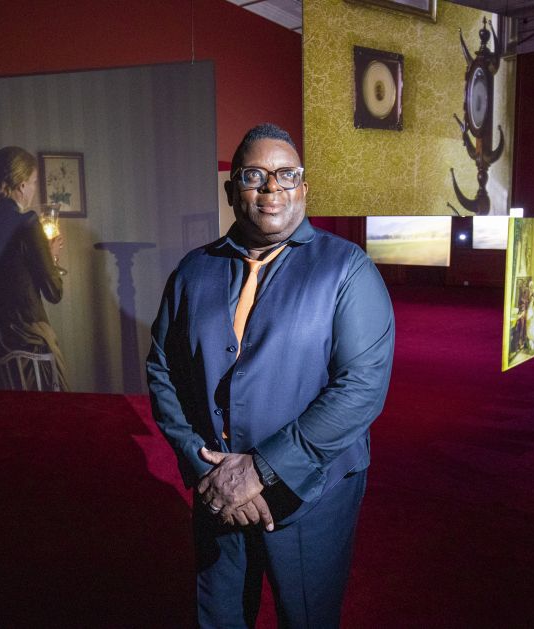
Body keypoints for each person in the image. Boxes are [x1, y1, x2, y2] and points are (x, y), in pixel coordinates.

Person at [146, 123, 395, 628]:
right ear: (232, 189)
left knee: (305, 616)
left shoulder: (346, 269)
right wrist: (205, 468)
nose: (271, 188)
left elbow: (361, 388)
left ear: (303, 188)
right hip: (217, 486)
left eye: (286, 175)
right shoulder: (193, 271)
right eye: (254, 175)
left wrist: (259, 469)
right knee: (218, 614)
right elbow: (163, 371)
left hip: (312, 490)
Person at [0, 146, 68, 391]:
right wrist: (51, 258)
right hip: (26, 334)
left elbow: (5, 276)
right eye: (33, 182)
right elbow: (54, 293)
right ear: (21, 186)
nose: (33, 189)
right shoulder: (28, 222)